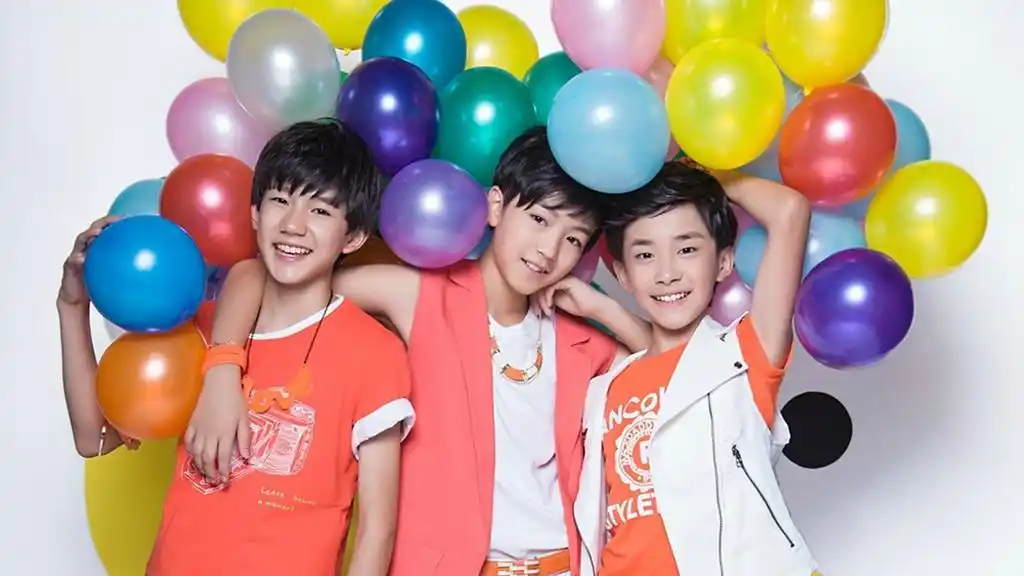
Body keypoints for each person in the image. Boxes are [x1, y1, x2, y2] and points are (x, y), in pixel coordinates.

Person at [189, 126, 651, 576]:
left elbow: (673, 370)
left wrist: (604, 308)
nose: (548, 249)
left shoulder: (580, 342)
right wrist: (223, 370)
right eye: (539, 219)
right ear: (496, 205)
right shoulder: (421, 296)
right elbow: (267, 277)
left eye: (572, 239)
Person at [57, 120, 414, 575]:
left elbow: (377, 532)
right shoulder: (198, 330)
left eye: (321, 211)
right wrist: (72, 306)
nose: (293, 225)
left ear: (353, 237)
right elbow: (93, 438)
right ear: (255, 214)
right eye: (280, 201)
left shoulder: (374, 353)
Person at [549, 162, 819, 575]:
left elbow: (790, 211)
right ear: (622, 274)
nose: (667, 273)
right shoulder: (605, 389)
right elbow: (667, 371)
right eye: (645, 255)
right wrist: (601, 309)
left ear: (724, 262)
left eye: (687, 249)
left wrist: (710, 179)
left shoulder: (743, 356)